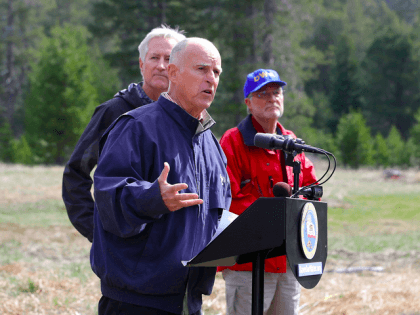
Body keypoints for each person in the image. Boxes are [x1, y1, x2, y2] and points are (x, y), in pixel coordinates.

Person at [91, 37, 231, 315]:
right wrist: (152, 198)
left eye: (216, 72)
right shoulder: (136, 127)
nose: (211, 79)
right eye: (202, 69)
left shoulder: (213, 146)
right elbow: (108, 197)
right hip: (136, 302)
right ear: (174, 73)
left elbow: (218, 218)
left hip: (188, 301)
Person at [62, 25, 186, 242]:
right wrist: (97, 231)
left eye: (168, 59)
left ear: (179, 68)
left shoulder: (189, 118)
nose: (161, 66)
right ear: (141, 64)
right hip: (126, 254)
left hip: (175, 250)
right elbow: (75, 174)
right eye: (154, 57)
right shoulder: (114, 112)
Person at [218, 69, 318, 315]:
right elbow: (225, 198)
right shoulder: (233, 141)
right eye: (262, 94)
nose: (272, 98)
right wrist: (274, 216)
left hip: (287, 260)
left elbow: (310, 186)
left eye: (276, 92)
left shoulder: (291, 141)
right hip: (247, 262)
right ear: (248, 103)